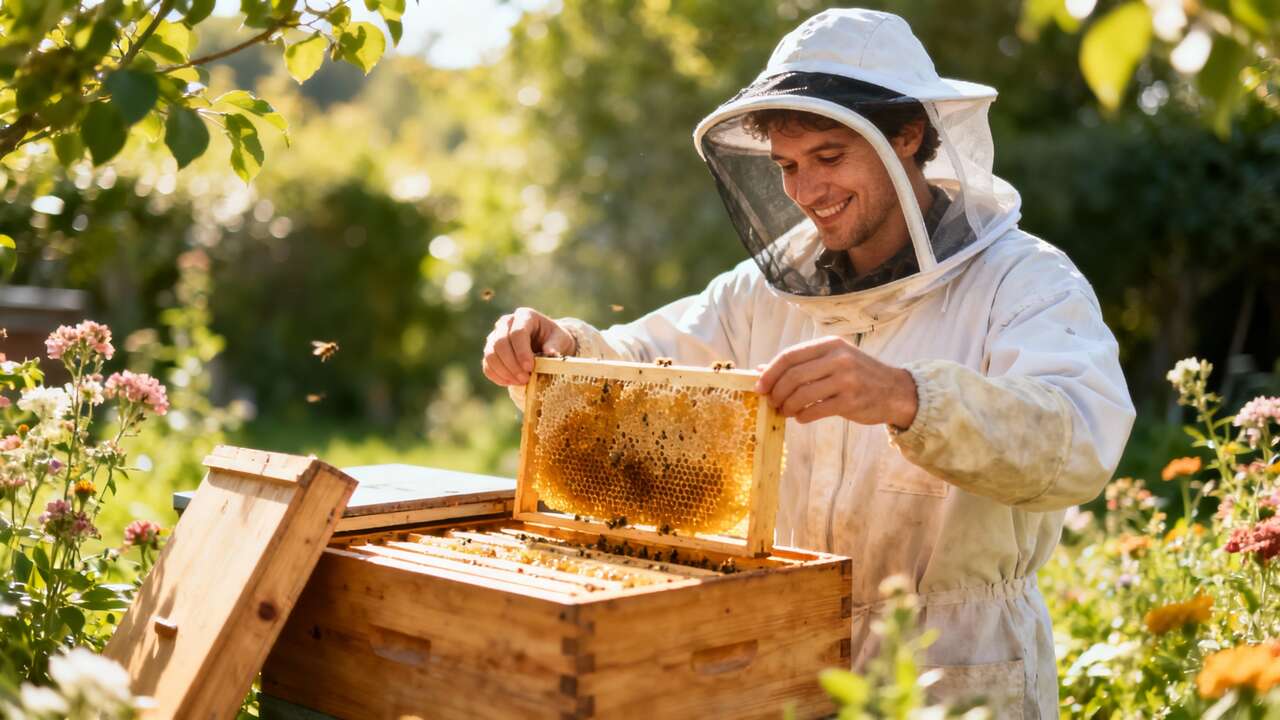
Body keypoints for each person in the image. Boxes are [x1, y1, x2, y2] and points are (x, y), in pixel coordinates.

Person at [482, 8, 1134, 718]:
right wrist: (563, 349)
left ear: (906, 137)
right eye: (788, 167)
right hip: (787, 657)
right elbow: (644, 363)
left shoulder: (1023, 280)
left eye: (829, 157)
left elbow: (1080, 438)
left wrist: (910, 397)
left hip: (959, 667)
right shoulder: (763, 292)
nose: (805, 190)